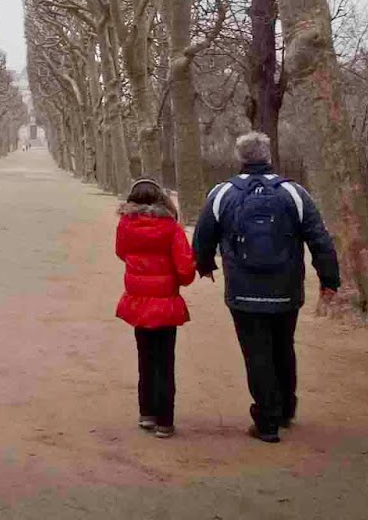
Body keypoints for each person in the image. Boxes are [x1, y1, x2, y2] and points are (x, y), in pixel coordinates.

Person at [193, 132, 340, 443]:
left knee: (256, 352)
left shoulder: (223, 193)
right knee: (283, 345)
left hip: (243, 290)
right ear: (268, 155)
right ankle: (286, 409)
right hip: (285, 287)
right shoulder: (294, 193)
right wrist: (329, 280)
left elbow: (203, 235)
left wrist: (205, 266)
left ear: (241, 158)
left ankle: (266, 420)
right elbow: (320, 239)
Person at [114, 177, 197, 438]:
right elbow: (185, 271)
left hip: (139, 302)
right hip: (165, 303)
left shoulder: (126, 225)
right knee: (165, 361)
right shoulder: (171, 228)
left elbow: (121, 253)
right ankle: (165, 420)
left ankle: (146, 413)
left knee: (145, 358)